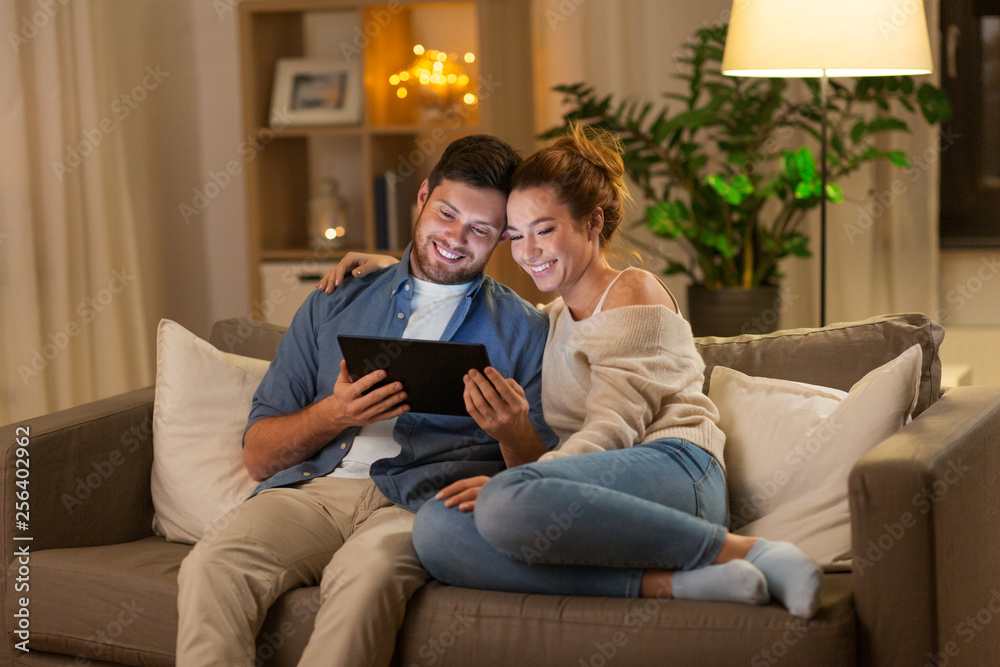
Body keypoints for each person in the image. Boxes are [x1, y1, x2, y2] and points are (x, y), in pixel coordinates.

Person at [320, 125, 822, 618]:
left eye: (545, 230)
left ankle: (753, 552)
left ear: (592, 222)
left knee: (503, 499)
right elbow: (492, 312)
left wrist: (526, 483)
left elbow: (612, 428)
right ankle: (675, 584)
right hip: (594, 492)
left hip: (677, 472)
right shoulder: (553, 320)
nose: (528, 252)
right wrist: (397, 270)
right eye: (515, 236)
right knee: (435, 531)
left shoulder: (633, 291)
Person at [174, 134, 558, 667]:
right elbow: (259, 455)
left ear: (501, 238)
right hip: (314, 493)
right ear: (421, 196)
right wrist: (335, 414)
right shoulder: (337, 298)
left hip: (417, 504)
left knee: (363, 580)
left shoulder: (525, 331)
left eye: (480, 229)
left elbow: (544, 486)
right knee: (210, 565)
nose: (455, 237)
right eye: (446, 213)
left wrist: (513, 432)